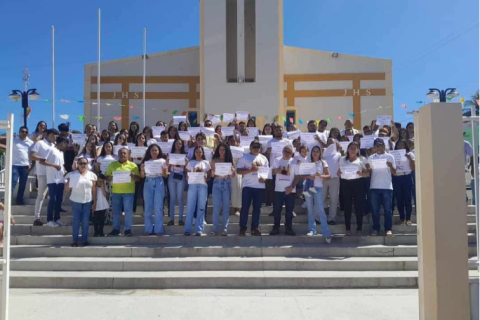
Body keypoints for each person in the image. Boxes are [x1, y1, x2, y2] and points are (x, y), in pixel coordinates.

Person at [105, 147, 141, 236]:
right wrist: (112, 177)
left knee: (128, 211)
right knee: (116, 211)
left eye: (125, 153)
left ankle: (127, 230)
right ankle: (116, 229)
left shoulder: (133, 165)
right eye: (121, 153)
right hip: (116, 192)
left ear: (128, 154)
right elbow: (107, 177)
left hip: (129, 192)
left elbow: (138, 179)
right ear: (118, 154)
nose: (123, 155)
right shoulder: (112, 165)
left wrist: (133, 176)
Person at [236, 140, 269, 236]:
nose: (256, 148)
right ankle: (243, 227)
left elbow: (266, 172)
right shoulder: (244, 158)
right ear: (250, 147)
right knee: (245, 207)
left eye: (258, 147)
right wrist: (251, 170)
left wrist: (265, 179)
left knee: (257, 208)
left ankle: (255, 228)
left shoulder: (264, 158)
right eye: (254, 146)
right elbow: (238, 171)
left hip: (259, 186)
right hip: (248, 186)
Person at [366, 138, 396, 236]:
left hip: (387, 187)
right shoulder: (370, 158)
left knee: (388, 210)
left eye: (380, 145)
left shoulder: (390, 157)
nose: (378, 147)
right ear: (374, 147)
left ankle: (388, 229)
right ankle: (376, 228)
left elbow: (394, 172)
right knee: (375, 210)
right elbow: (369, 173)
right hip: (374, 186)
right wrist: (368, 169)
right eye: (376, 145)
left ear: (384, 146)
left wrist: (391, 166)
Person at [302, 146, 332, 242]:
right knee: (310, 209)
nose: (315, 153)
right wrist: (308, 176)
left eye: (317, 151)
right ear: (311, 153)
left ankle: (326, 231)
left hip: (318, 188)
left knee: (320, 209)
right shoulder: (307, 161)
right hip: (307, 187)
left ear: (320, 153)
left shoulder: (323, 162)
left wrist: (320, 175)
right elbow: (301, 175)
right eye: (313, 151)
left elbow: (328, 176)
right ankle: (312, 230)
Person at [65, 157, 97, 246]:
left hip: (88, 200)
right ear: (77, 164)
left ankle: (84, 239)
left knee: (85, 221)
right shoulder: (72, 174)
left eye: (85, 163)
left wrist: (95, 202)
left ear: (87, 164)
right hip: (76, 200)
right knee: (76, 221)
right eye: (81, 163)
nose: (83, 165)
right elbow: (67, 190)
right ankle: (75, 240)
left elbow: (94, 190)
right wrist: (69, 182)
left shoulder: (92, 175)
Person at [30, 128, 59, 226]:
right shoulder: (40, 143)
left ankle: (53, 217)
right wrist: (43, 159)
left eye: (56, 136)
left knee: (55, 196)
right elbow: (32, 156)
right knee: (41, 196)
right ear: (47, 134)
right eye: (53, 135)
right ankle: (36, 218)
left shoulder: (54, 145)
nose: (55, 137)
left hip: (53, 173)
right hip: (42, 173)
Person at [338, 142, 368, 236]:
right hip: (346, 183)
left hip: (358, 184)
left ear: (358, 150)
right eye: (351, 148)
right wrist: (339, 174)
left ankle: (359, 228)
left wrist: (362, 174)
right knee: (347, 206)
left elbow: (367, 173)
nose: (353, 150)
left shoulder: (362, 159)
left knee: (358, 206)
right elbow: (338, 172)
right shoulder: (342, 159)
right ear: (347, 149)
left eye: (355, 148)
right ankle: (348, 228)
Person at [269, 145, 299, 236]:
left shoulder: (295, 162)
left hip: (290, 190)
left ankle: (288, 227)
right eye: (285, 151)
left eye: (289, 152)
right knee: (277, 209)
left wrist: (291, 187)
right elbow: (271, 171)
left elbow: (298, 176)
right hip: (278, 190)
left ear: (292, 153)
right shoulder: (277, 160)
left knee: (289, 210)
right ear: (282, 152)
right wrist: (276, 171)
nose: (286, 153)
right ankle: (276, 227)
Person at [140, 144, 169, 235]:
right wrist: (142, 170)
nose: (154, 152)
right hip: (148, 182)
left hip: (159, 181)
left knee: (158, 207)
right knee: (148, 207)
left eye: (156, 150)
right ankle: (148, 229)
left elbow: (165, 175)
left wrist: (164, 171)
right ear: (149, 151)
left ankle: (158, 229)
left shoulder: (163, 161)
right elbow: (142, 176)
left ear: (159, 151)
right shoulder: (146, 162)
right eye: (152, 150)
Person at [41, 136, 68, 227]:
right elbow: (42, 161)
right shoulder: (50, 149)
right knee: (53, 199)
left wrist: (64, 170)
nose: (66, 147)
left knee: (59, 200)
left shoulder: (61, 153)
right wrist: (54, 166)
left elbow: (62, 165)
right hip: (52, 179)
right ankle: (49, 220)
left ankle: (57, 218)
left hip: (60, 179)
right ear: (63, 142)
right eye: (66, 144)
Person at [185, 146, 211, 236]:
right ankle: (187, 229)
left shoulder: (206, 163)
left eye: (200, 152)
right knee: (190, 207)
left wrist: (206, 177)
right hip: (192, 185)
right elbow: (187, 176)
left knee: (201, 207)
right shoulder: (190, 163)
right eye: (196, 152)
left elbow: (209, 176)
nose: (198, 154)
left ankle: (199, 229)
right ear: (194, 153)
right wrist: (190, 175)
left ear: (202, 153)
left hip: (203, 186)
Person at [211, 143, 235, 235]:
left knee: (226, 207)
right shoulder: (214, 161)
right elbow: (212, 175)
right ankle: (215, 228)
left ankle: (225, 228)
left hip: (227, 183)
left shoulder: (230, 161)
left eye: (223, 149)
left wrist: (232, 172)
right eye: (220, 149)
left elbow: (233, 176)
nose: (221, 151)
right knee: (216, 207)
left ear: (226, 151)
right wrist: (212, 173)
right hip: (217, 183)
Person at [392, 139, 415, 225]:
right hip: (396, 177)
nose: (400, 146)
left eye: (402, 145)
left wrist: (409, 159)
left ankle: (408, 219)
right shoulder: (393, 155)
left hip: (406, 177)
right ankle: (402, 218)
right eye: (399, 145)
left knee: (407, 199)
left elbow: (414, 168)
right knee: (399, 199)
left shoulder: (410, 154)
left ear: (405, 146)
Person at [322, 138, 341, 225]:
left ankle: (331, 218)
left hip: (334, 179)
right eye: (328, 142)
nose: (330, 144)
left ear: (335, 143)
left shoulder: (339, 154)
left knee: (334, 199)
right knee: (321, 199)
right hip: (323, 179)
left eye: (332, 142)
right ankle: (319, 217)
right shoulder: (322, 154)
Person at [167, 139, 187, 226]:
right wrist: (168, 164)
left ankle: (180, 219)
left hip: (181, 175)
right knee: (172, 198)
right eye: (177, 143)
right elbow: (167, 170)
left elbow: (186, 170)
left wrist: (186, 164)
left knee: (180, 198)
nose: (178, 145)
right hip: (172, 175)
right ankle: (171, 219)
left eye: (180, 143)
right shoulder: (170, 155)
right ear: (174, 144)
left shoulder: (184, 155)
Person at [12, 126, 33, 205]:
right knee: (13, 183)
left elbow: (31, 154)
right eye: (22, 131)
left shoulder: (30, 143)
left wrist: (30, 164)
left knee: (23, 184)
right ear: (19, 132)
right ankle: (8, 200)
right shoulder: (13, 141)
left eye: (26, 132)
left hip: (25, 166)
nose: (24, 133)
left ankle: (19, 200)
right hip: (15, 165)